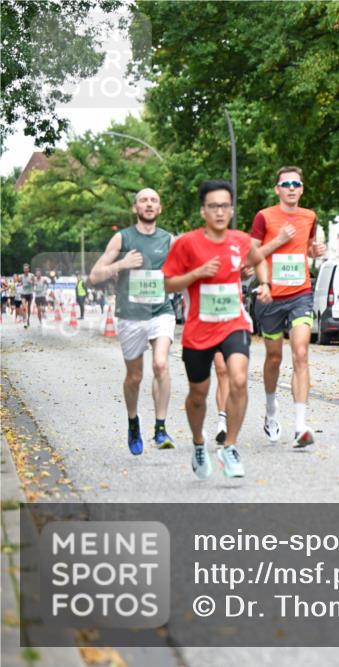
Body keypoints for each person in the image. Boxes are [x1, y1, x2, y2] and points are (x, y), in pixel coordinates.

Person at [163, 180, 272, 480]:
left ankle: (231, 446)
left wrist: (264, 284)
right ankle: (199, 443)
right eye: (214, 206)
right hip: (198, 329)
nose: (220, 211)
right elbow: (168, 283)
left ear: (231, 209)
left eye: (225, 205)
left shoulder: (240, 240)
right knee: (198, 394)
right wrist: (197, 273)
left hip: (233, 323)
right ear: (203, 211)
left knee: (238, 379)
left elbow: (259, 260)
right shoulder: (186, 243)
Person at [89, 188, 177, 454]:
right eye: (143, 200)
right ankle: (133, 421)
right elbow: (94, 275)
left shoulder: (170, 240)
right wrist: (121, 264)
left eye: (153, 201)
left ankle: (160, 428)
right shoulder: (122, 238)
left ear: (159, 209)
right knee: (135, 376)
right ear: (135, 208)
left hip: (161, 311)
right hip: (130, 316)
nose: (149, 205)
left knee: (161, 365)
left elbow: (188, 269)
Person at [249, 166, 326, 447]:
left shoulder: (310, 216)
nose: (292, 188)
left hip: (300, 294)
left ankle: (300, 425)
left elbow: (305, 248)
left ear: (302, 189)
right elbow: (251, 255)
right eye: (286, 184)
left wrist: (314, 252)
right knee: (273, 359)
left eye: (296, 183)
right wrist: (278, 240)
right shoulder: (264, 217)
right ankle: (271, 412)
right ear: (277, 189)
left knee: (301, 353)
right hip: (271, 297)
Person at [20, 264, 35, 328]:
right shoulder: (21, 276)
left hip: (29, 293)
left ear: (28, 269)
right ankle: (25, 320)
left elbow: (35, 283)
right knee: (24, 307)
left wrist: (31, 282)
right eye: (24, 269)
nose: (25, 270)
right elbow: (20, 282)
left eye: (26, 269)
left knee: (28, 308)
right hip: (23, 293)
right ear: (23, 270)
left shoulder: (31, 275)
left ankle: (28, 319)